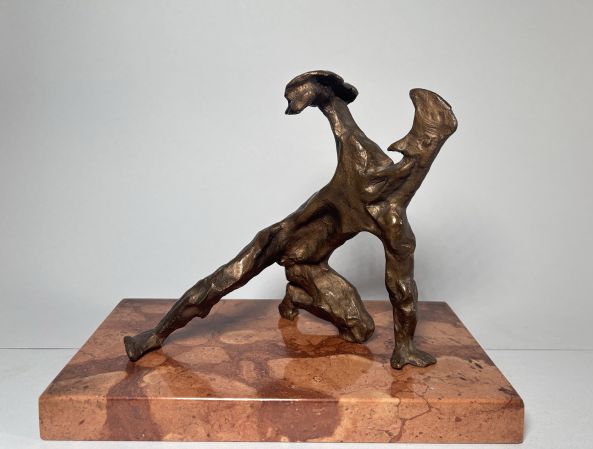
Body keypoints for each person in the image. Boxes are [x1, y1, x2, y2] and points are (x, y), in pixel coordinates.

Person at [124, 70, 457, 369]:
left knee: (361, 330)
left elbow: (401, 288)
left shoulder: (393, 223)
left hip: (311, 267)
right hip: (280, 239)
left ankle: (298, 295)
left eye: (425, 146)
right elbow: (338, 114)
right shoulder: (359, 158)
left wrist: (404, 347)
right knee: (223, 281)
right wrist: (315, 89)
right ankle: (153, 335)